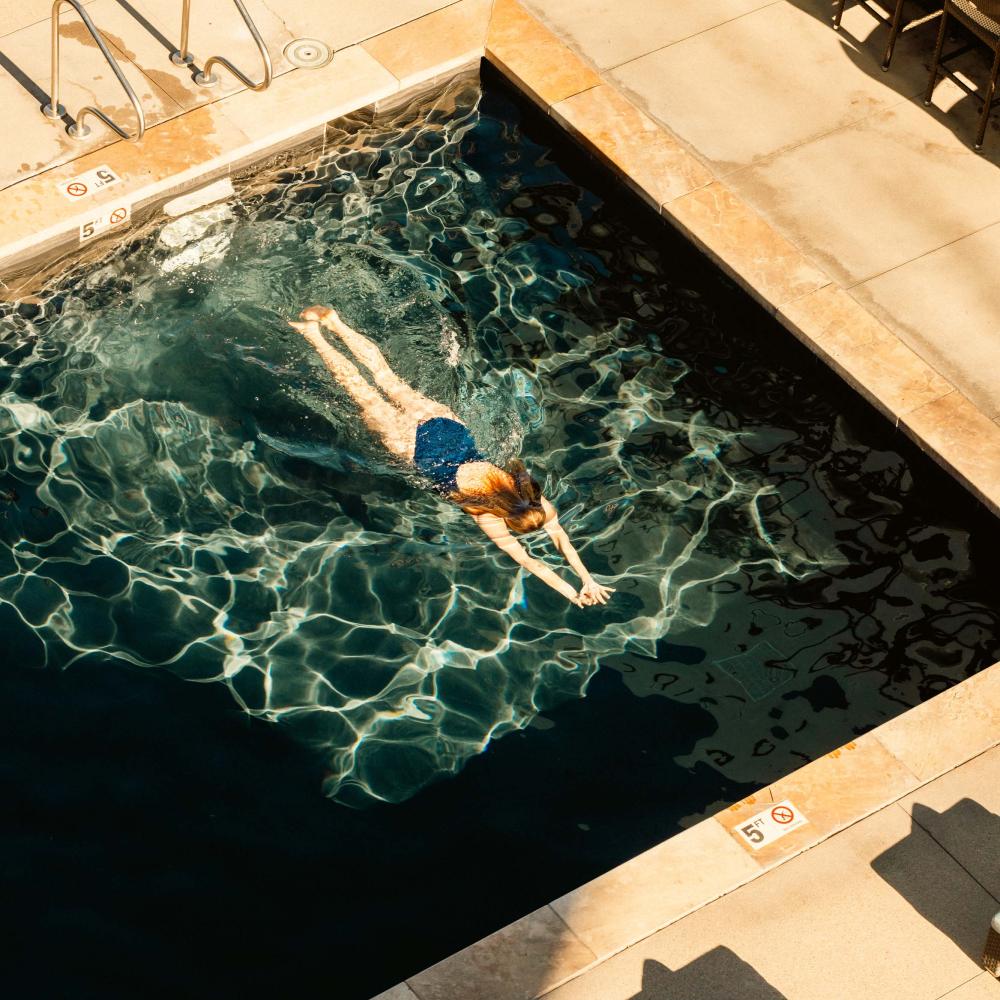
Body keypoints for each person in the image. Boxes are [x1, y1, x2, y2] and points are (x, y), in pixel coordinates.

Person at [288, 306, 615, 608]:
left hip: (449, 428)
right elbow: (531, 562)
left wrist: (586, 578)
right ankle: (313, 334)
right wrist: (572, 592)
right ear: (508, 518)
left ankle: (334, 321)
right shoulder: (487, 517)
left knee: (385, 377)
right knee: (361, 391)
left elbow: (560, 537)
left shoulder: (528, 491)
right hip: (415, 449)